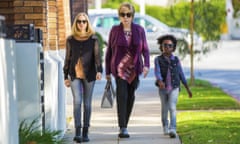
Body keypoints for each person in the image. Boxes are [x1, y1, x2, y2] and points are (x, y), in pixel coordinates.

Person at [105, 2, 150, 138]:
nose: (125, 17)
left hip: (135, 69)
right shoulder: (114, 30)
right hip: (119, 69)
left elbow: (145, 50)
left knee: (131, 97)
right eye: (122, 14)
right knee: (122, 96)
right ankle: (122, 127)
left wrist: (146, 65)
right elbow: (109, 52)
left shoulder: (139, 30)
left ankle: (125, 123)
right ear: (119, 16)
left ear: (132, 16)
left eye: (128, 14)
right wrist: (107, 71)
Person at [63, 12, 103, 143]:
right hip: (74, 74)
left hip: (89, 74)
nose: (81, 24)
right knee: (77, 102)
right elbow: (67, 58)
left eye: (84, 21)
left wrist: (99, 71)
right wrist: (65, 76)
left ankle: (86, 132)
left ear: (87, 23)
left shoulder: (93, 39)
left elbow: (97, 57)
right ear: (76, 23)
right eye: (79, 21)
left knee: (87, 103)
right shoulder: (70, 39)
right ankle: (78, 132)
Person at [154, 34, 192, 138]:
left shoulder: (176, 60)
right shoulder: (158, 59)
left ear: (173, 47)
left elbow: (181, 74)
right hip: (162, 89)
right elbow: (157, 72)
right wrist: (160, 81)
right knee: (164, 108)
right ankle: (165, 125)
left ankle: (173, 128)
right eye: (165, 45)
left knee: (172, 107)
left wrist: (187, 88)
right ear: (161, 47)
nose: (167, 47)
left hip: (174, 88)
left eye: (170, 45)